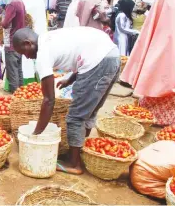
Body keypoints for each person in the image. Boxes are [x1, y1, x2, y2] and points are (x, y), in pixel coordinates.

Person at [13, 27, 120, 175]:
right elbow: (81, 50)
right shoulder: (49, 37)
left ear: (28, 43)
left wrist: (36, 133)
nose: (27, 57)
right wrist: (70, 79)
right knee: (90, 109)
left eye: (23, 52)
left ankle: (74, 163)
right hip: (112, 55)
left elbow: (49, 100)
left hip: (98, 62)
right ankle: (79, 150)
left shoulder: (43, 54)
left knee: (75, 116)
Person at [1, 0, 26, 93]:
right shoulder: (20, 1)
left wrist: (2, 17)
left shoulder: (12, 4)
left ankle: (15, 97)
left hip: (11, 43)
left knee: (12, 74)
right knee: (19, 70)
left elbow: (5, 24)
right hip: (20, 42)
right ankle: (21, 96)